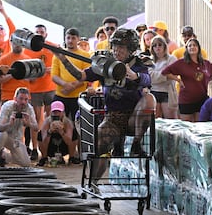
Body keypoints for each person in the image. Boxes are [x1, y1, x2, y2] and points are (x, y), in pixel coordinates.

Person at [53, 28, 155, 164]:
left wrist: (135, 76)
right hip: (113, 118)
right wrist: (63, 59)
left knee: (149, 99)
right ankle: (94, 182)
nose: (117, 51)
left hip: (134, 118)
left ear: (131, 49)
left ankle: (136, 144)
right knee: (97, 149)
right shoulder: (105, 64)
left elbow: (148, 80)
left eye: (122, 48)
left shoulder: (140, 63)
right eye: (115, 47)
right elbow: (81, 75)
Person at [163, 38, 212, 122]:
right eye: (190, 46)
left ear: (199, 48)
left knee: (199, 126)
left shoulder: (205, 63)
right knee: (186, 127)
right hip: (186, 100)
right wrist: (178, 80)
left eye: (194, 45)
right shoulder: (181, 63)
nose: (192, 47)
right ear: (186, 48)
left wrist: (207, 79)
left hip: (202, 99)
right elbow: (165, 72)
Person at [23, 24, 57, 162]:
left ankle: (49, 148)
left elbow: (58, 65)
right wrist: (30, 75)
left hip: (50, 88)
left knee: (51, 119)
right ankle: (35, 148)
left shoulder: (52, 47)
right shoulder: (28, 48)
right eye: (37, 32)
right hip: (35, 89)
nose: (39, 33)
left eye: (42, 32)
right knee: (35, 120)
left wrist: (50, 70)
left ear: (46, 34)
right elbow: (24, 69)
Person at [0, 87, 38, 168]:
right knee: (3, 134)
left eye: (26, 99)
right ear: (15, 99)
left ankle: (3, 157)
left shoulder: (29, 109)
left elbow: (36, 128)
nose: (23, 102)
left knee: (26, 163)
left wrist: (28, 123)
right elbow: (0, 128)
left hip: (15, 138)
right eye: (21, 99)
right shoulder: (7, 106)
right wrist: (9, 123)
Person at [51, 27, 90, 122]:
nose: (70, 41)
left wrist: (72, 87)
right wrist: (65, 85)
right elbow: (54, 76)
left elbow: (86, 76)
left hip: (78, 96)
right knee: (56, 122)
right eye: (68, 38)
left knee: (79, 124)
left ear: (78, 39)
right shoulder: (58, 55)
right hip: (61, 94)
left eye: (73, 38)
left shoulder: (85, 56)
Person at [36, 100, 77, 167]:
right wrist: (49, 132)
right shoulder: (47, 122)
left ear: (63, 112)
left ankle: (71, 157)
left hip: (64, 146)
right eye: (54, 112)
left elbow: (69, 141)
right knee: (40, 134)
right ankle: (44, 157)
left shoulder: (67, 122)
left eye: (58, 111)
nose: (56, 114)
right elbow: (44, 141)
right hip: (50, 147)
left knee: (74, 133)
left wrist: (62, 132)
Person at [149, 35, 178, 119]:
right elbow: (150, 77)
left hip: (168, 92)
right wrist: (166, 75)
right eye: (155, 45)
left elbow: (173, 74)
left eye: (160, 44)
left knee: (171, 122)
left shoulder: (172, 59)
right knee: (155, 122)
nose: (157, 47)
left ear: (164, 46)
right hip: (154, 92)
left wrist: (158, 75)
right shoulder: (149, 60)